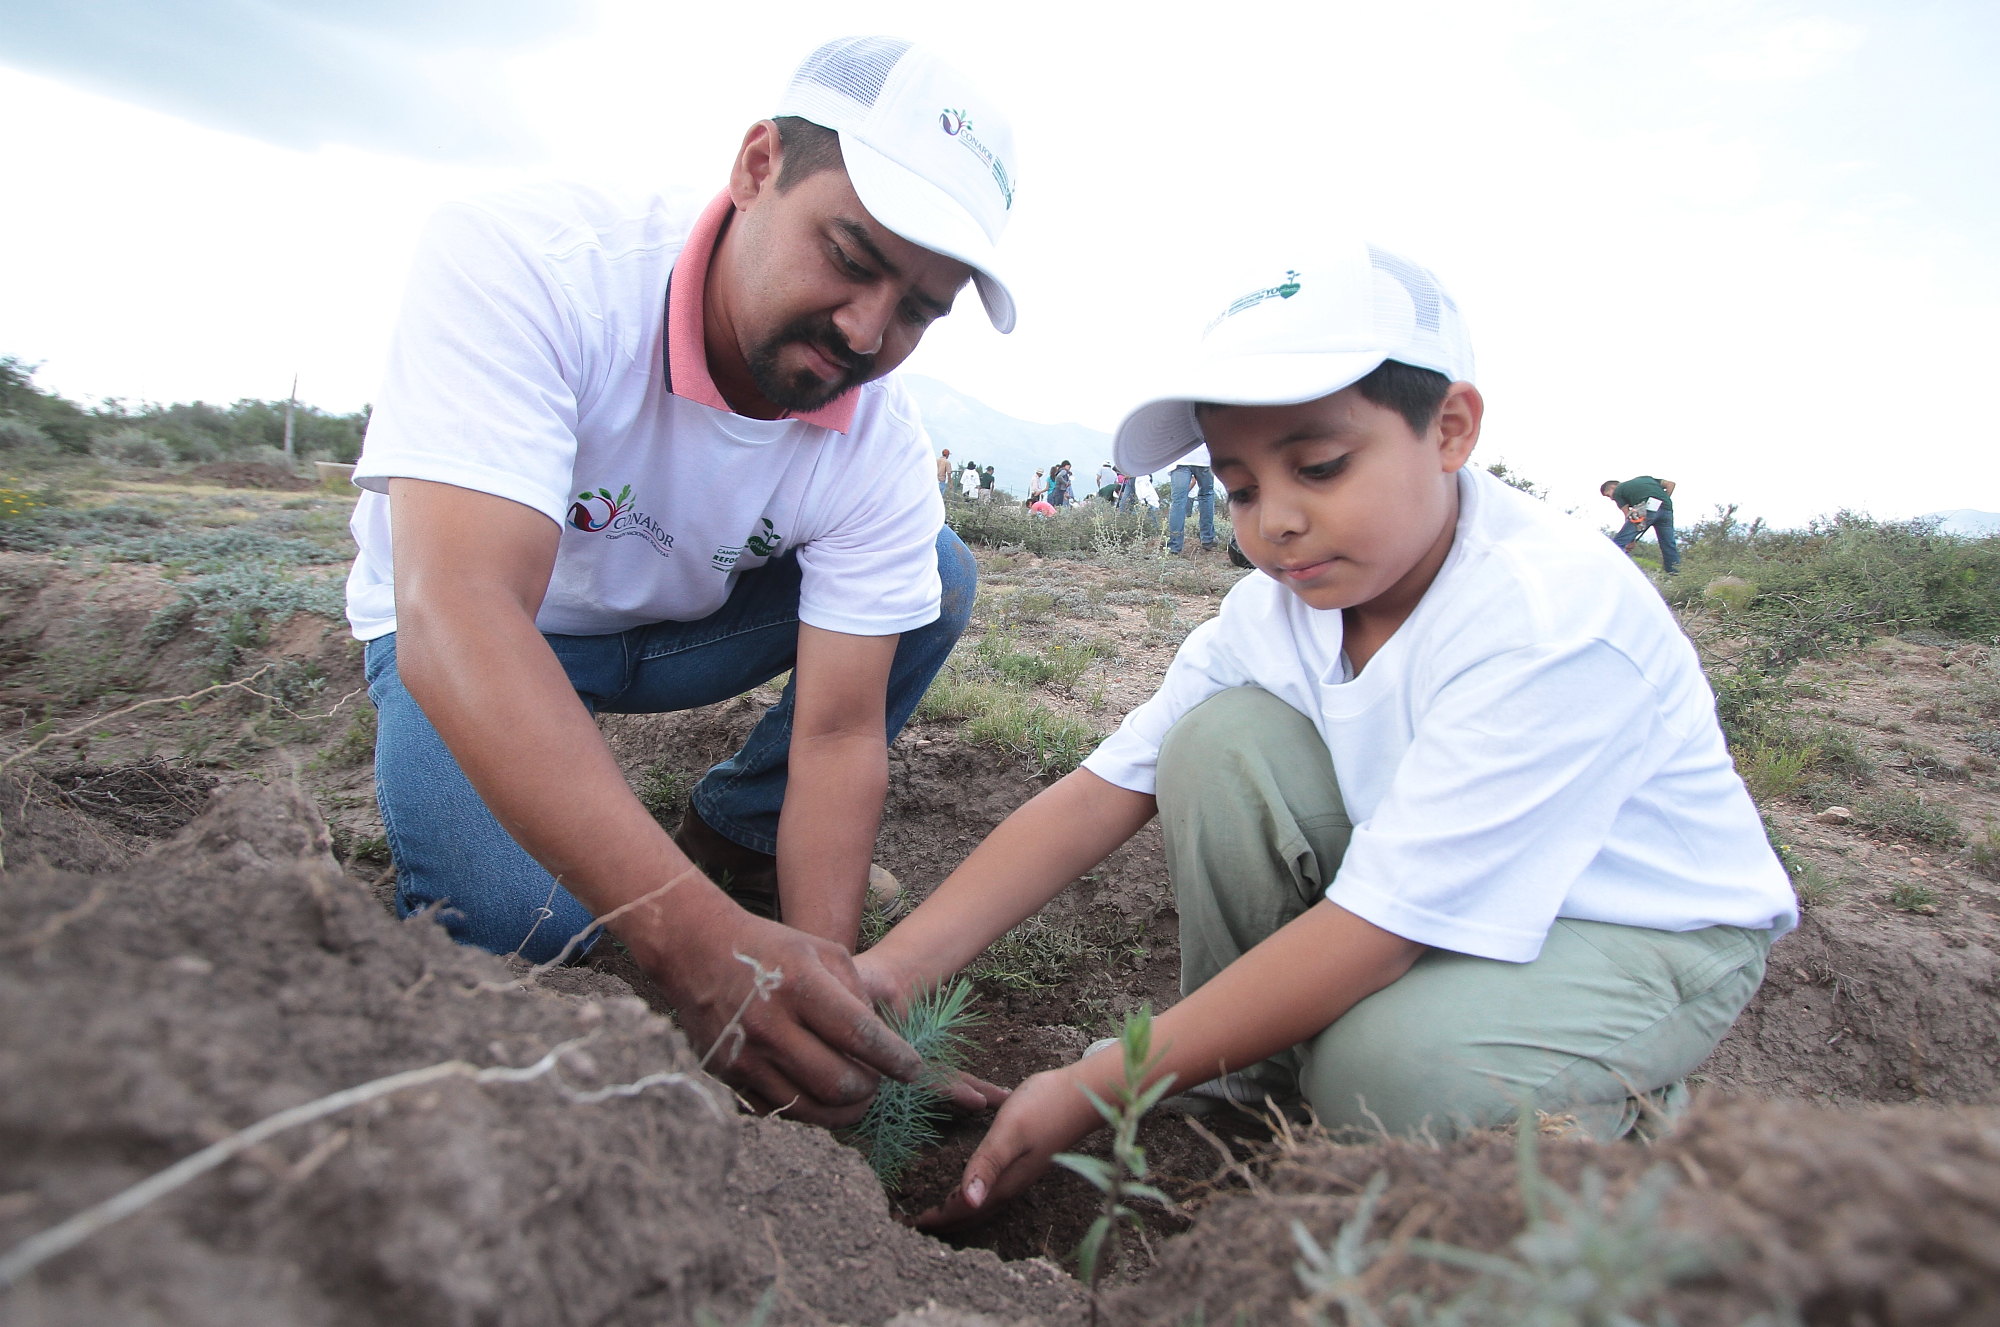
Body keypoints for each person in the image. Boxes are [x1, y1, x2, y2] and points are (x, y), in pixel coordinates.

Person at [857, 243, 1795, 1223]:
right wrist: (890, 971)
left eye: (1317, 466)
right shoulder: (1282, 607)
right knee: (1216, 744)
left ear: (1449, 429)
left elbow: (1377, 931)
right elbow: (1100, 792)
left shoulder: (1545, 620)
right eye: (1242, 487)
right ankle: (1244, 1088)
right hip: (1439, 895)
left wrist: (1106, 1080)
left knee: (1385, 1074)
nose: (1277, 524)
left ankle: (1642, 1148)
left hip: (1634, 934)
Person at [347, 35, 1022, 1126]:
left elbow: (841, 736)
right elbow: (456, 613)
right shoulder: (533, 263)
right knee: (527, 925)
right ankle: (662, 885)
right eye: (849, 256)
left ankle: (731, 837)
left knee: (929, 576)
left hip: (672, 633)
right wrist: (688, 938)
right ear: (757, 166)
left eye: (914, 310)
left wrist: (821, 997)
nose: (864, 330)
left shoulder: (879, 441)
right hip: (481, 627)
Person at [1602, 475, 1680, 573]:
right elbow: (1670, 484)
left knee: (1619, 542)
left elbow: (1628, 516)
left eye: (1608, 495)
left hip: (1647, 508)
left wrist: (1631, 540)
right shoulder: (1646, 478)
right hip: (1667, 509)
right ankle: (1675, 574)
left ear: (1613, 487)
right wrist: (1663, 500)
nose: (1611, 499)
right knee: (1668, 544)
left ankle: (1609, 570)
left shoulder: (1618, 491)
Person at [1165, 444, 1219, 555]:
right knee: (1206, 495)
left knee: (1178, 501)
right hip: (1203, 456)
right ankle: (1207, 539)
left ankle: (1174, 546)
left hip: (1180, 456)